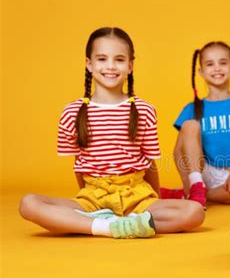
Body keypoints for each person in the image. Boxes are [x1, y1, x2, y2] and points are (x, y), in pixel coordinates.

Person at [19, 27, 204, 238]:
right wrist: (87, 201)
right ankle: (108, 226)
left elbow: (149, 162)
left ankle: (108, 224)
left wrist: (156, 200)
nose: (110, 66)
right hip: (93, 198)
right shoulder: (72, 112)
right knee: (28, 204)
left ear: (130, 66)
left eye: (119, 59)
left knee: (194, 212)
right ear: (89, 64)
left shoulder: (144, 110)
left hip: (137, 197)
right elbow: (79, 164)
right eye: (102, 59)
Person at [161, 41, 230, 207]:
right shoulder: (192, 108)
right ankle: (194, 186)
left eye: (223, 63)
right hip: (201, 169)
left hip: (229, 172)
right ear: (200, 71)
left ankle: (193, 195)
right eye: (210, 64)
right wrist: (188, 180)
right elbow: (178, 151)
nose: (217, 68)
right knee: (190, 125)